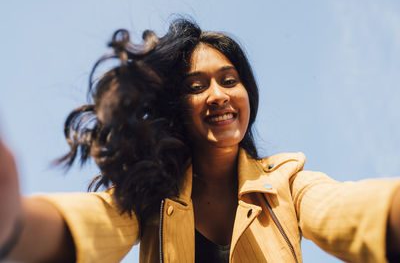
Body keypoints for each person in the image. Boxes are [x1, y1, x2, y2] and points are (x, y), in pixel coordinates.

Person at [1, 18, 400, 263]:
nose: (219, 95)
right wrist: (13, 225)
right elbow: (91, 226)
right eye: (197, 86)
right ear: (177, 108)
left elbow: (346, 211)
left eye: (230, 80)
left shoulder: (287, 182)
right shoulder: (151, 198)